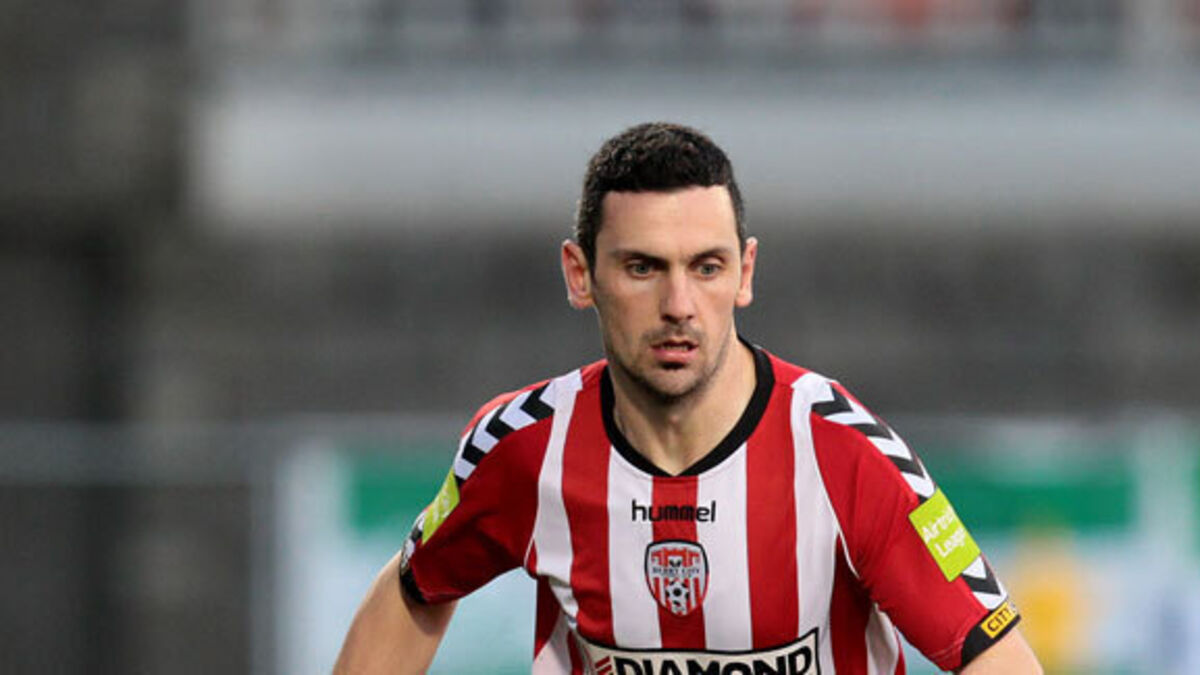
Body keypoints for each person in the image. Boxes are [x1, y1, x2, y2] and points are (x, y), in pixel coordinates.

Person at [334, 122, 1043, 674]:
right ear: (580, 275)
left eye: (706, 267)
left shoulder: (842, 452)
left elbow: (996, 654)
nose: (679, 305)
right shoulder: (524, 447)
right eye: (643, 268)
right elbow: (415, 590)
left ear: (745, 272)